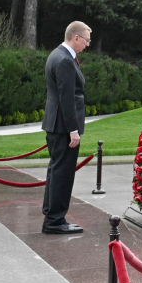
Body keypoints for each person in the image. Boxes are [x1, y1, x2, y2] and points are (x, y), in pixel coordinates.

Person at [40, 21, 92, 234]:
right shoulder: (64, 61)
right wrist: (73, 129)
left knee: (55, 170)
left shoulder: (57, 55)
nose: (88, 45)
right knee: (63, 173)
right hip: (63, 127)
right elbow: (66, 99)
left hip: (55, 124)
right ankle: (55, 220)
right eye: (87, 40)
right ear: (76, 37)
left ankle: (51, 214)